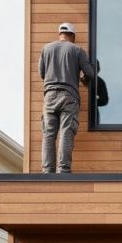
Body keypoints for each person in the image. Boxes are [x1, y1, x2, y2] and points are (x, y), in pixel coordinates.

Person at [39, 22, 94, 173]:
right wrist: (83, 80)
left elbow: (42, 73)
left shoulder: (46, 49)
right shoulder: (77, 50)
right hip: (69, 96)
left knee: (48, 133)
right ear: (72, 35)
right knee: (66, 131)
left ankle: (47, 171)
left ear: (60, 34)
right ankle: (63, 170)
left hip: (49, 96)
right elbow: (90, 73)